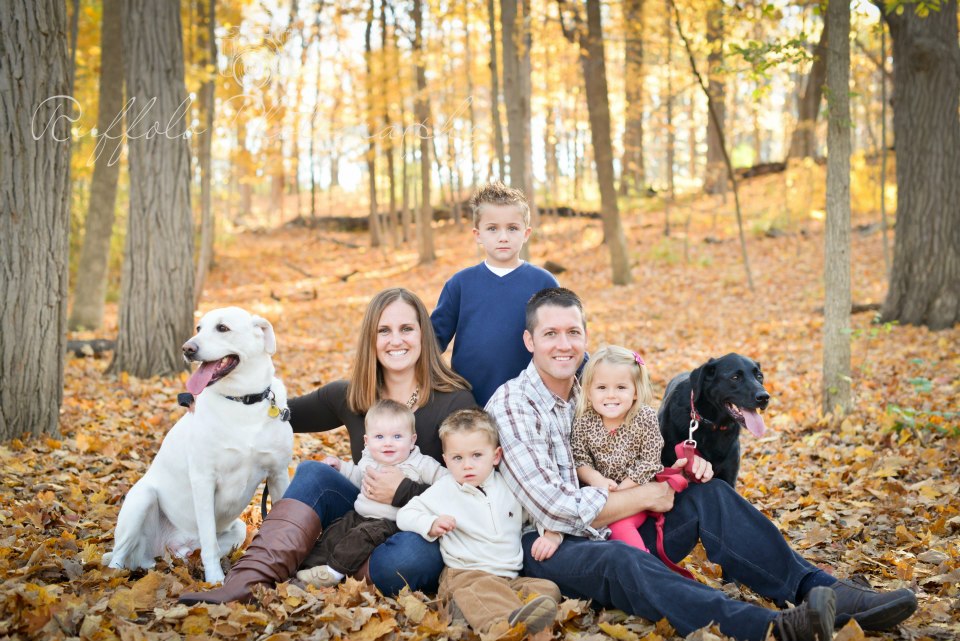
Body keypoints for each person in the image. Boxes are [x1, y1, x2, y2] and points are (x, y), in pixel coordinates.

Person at [485, 287, 918, 641]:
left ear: (585, 336)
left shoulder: (599, 385)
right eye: (550, 334)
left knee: (711, 493)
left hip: (625, 521)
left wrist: (676, 474)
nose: (564, 344)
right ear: (530, 342)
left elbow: (637, 453)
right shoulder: (513, 404)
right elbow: (556, 510)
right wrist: (648, 493)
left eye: (573, 332)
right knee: (624, 561)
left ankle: (821, 589)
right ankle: (772, 629)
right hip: (549, 546)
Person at [180, 288, 477, 604]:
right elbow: (277, 412)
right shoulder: (350, 395)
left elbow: (472, 492)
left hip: (421, 528)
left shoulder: (455, 401)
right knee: (313, 472)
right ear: (371, 339)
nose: (396, 340)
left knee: (405, 563)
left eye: (407, 329)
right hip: (363, 515)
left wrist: (403, 491)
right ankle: (245, 584)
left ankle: (326, 566)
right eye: (384, 330)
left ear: (424, 335)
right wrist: (220, 404)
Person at [397, 408, 561, 638]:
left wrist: (551, 533)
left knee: (547, 588)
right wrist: (430, 523)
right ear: (445, 460)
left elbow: (536, 513)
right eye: (457, 458)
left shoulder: (509, 487)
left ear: (495, 456)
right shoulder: (445, 489)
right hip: (464, 574)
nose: (467, 465)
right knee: (482, 589)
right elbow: (405, 513)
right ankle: (503, 627)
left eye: (476, 455)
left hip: (507, 577)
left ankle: (503, 614)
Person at [431, 182, 559, 406]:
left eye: (512, 228)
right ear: (478, 234)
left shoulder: (543, 283)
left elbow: (563, 336)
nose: (503, 237)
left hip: (528, 401)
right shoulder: (460, 284)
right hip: (469, 402)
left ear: (526, 233)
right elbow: (432, 342)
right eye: (492, 229)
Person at [296, 399, 448, 588]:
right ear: (367, 441)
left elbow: (447, 483)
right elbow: (358, 477)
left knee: (359, 537)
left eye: (397, 437)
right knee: (334, 533)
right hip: (359, 515)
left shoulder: (422, 464)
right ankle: (305, 570)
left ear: (412, 440)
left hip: (390, 523)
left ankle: (333, 573)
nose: (388, 444)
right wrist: (340, 467)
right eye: (379, 437)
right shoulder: (369, 459)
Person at [571, 345, 705, 552]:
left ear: (635, 392)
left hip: (637, 490)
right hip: (599, 493)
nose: (611, 395)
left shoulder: (644, 418)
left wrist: (622, 491)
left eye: (621, 388)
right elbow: (580, 460)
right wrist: (596, 479)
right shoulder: (584, 420)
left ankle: (646, 568)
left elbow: (650, 461)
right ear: (588, 392)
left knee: (620, 526)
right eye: (602, 388)